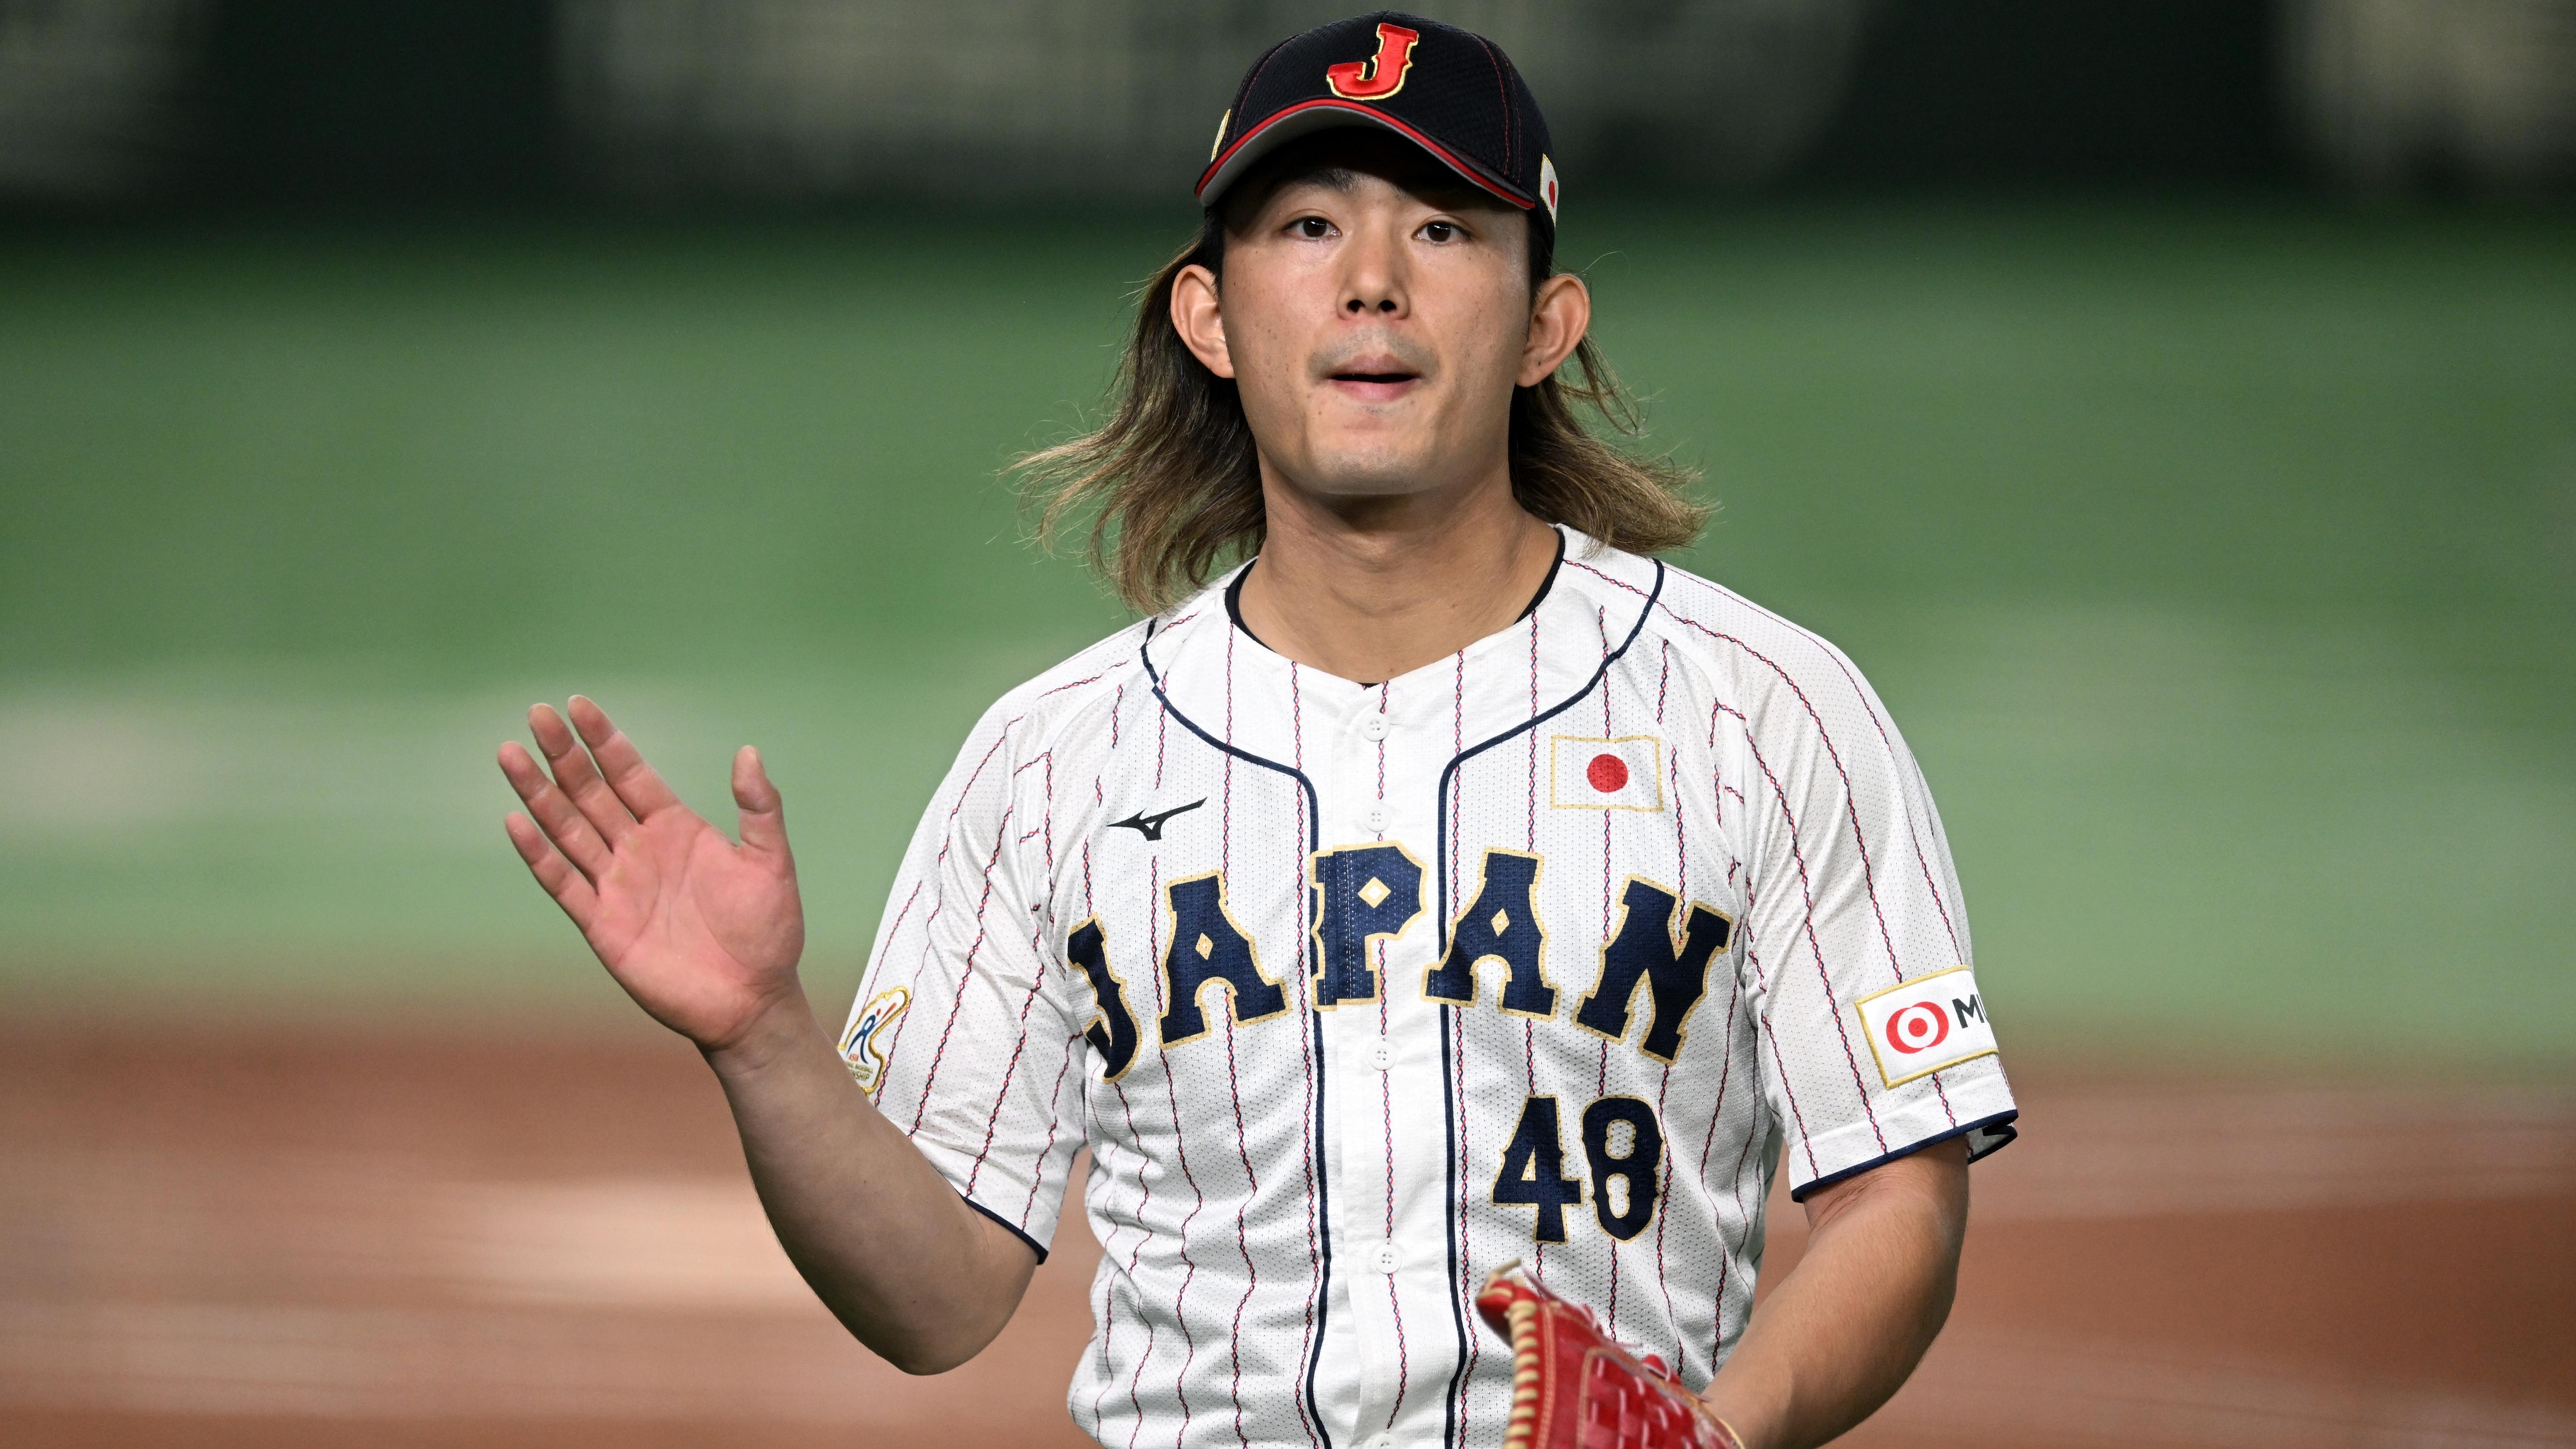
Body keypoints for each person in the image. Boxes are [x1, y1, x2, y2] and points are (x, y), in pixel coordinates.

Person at [496, 13, 2017, 1448]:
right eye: (1308, 226)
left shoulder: (1764, 710)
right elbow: (938, 1295)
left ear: (1548, 321)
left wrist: (1714, 1437)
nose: (1373, 281)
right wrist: (765, 1042)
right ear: (1209, 315)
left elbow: (1897, 1198)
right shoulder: (1055, 762)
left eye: (1443, 229)